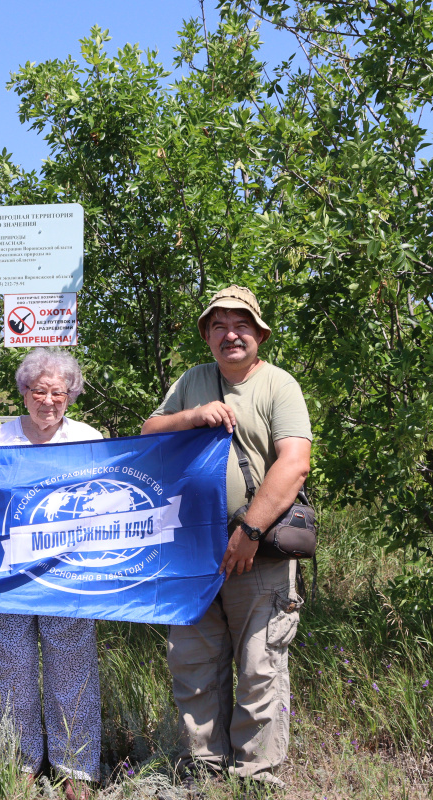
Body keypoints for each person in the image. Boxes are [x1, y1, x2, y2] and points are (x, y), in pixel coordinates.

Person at [141, 286, 312, 796]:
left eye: (241, 326)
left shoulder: (279, 385)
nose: (230, 335)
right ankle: (204, 768)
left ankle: (255, 776)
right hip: (191, 551)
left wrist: (250, 532)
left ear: (259, 334)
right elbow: (149, 433)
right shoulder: (193, 381)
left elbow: (294, 464)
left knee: (260, 665)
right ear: (207, 336)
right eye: (219, 326)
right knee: (194, 661)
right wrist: (193, 416)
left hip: (257, 551)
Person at [0, 348, 103, 800]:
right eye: (39, 391)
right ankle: (19, 763)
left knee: (73, 670)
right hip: (8, 577)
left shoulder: (88, 438)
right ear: (24, 392)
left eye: (58, 393)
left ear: (71, 395)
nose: (48, 401)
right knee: (10, 671)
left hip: (69, 577)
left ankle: (76, 769)